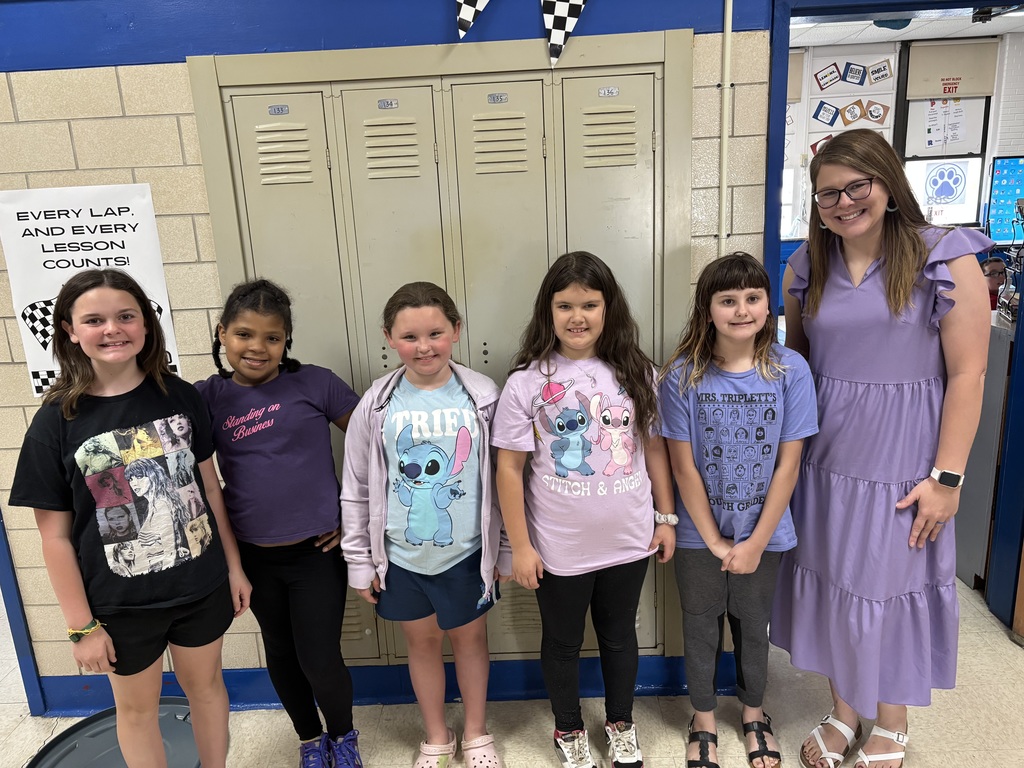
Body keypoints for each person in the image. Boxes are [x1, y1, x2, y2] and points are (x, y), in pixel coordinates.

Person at [770, 129, 992, 768]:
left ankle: (890, 724)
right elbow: (799, 367)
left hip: (903, 461)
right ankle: (844, 711)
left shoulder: (942, 257)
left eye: (855, 187)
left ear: (888, 183)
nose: (842, 203)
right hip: (824, 460)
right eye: (826, 194)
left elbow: (968, 374)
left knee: (888, 589)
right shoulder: (807, 264)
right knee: (835, 584)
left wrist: (946, 479)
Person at [9, 269, 250, 768]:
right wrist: (81, 627)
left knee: (206, 689)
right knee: (137, 711)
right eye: (94, 320)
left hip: (199, 588)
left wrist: (233, 567)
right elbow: (53, 536)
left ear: (145, 324)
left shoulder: (180, 396)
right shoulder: (57, 421)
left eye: (125, 316)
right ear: (71, 331)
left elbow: (207, 488)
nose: (112, 329)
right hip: (120, 607)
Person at [492, 251, 675, 768]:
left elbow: (654, 449)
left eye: (589, 305)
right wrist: (520, 547)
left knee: (620, 637)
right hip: (557, 545)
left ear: (607, 308)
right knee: (563, 642)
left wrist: (665, 519)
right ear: (547, 312)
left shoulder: (638, 371)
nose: (578, 317)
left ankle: (621, 723)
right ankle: (568, 729)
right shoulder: (528, 381)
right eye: (565, 305)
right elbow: (509, 471)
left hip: (629, 537)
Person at [658, 252, 818, 768]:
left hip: (765, 535)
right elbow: (683, 469)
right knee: (701, 625)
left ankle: (754, 714)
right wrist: (717, 542)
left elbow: (788, 468)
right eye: (728, 300)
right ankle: (702, 718)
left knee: (754, 628)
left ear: (768, 306)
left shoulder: (790, 370)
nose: (742, 310)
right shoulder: (682, 376)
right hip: (697, 537)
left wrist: (752, 543)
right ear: (708, 309)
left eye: (752, 298)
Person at [341, 282, 509, 768]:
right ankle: (436, 735)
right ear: (389, 338)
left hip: (467, 554)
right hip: (401, 556)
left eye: (436, 332)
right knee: (421, 643)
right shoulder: (377, 405)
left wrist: (507, 549)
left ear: (456, 331)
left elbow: (506, 483)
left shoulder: (483, 398)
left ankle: (477, 733)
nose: (424, 346)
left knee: (472, 642)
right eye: (410, 336)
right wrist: (358, 561)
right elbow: (356, 487)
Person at [196, 279, 363, 768]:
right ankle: (310, 740)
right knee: (282, 654)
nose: (258, 347)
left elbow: (373, 449)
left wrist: (355, 516)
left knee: (320, 657)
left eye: (272, 337)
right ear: (222, 333)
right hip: (253, 555)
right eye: (245, 334)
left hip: (317, 552)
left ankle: (343, 737)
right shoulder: (206, 397)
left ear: (286, 339)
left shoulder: (316, 383)